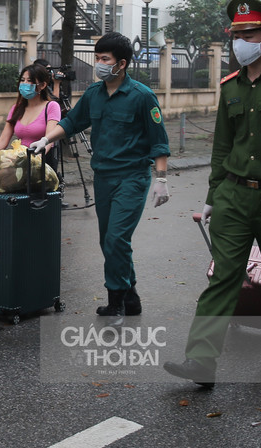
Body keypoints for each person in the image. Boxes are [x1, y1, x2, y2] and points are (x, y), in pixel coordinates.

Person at [164, 0, 261, 386]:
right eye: (235, 35)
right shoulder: (229, 86)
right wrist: (213, 195)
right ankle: (201, 360)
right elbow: (221, 147)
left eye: (248, 34)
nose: (239, 41)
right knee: (223, 276)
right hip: (232, 194)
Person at [29, 32, 170, 323]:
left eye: (104, 59)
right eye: (97, 58)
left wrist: (161, 178)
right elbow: (70, 122)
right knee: (109, 240)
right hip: (103, 178)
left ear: (122, 63)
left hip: (132, 177)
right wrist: (46, 139)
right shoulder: (94, 94)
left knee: (117, 238)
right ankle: (130, 298)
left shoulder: (142, 96)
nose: (99, 64)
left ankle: (115, 301)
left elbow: (159, 140)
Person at [0, 63, 61, 185]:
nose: (24, 84)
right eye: (22, 80)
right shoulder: (16, 108)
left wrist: (34, 161)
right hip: (18, 164)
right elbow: (3, 140)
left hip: (41, 167)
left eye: (29, 81)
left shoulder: (51, 107)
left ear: (42, 85)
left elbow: (49, 140)